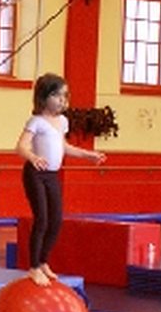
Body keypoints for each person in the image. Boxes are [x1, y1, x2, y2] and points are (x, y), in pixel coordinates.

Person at [16, 74, 106, 286]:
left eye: (65, 96)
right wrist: (33, 157)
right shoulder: (36, 122)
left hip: (52, 175)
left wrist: (88, 155)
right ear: (43, 97)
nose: (62, 100)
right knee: (42, 219)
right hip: (35, 174)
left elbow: (64, 147)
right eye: (56, 95)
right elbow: (20, 146)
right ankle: (34, 267)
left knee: (56, 221)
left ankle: (43, 261)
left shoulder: (62, 122)